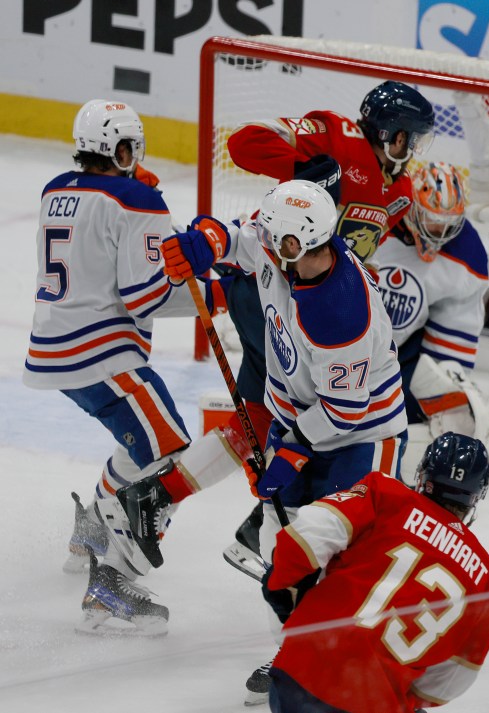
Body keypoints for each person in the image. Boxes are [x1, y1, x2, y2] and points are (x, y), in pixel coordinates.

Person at [119, 178, 409, 697]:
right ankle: (300, 649)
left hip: (362, 434)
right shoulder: (286, 250)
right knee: (290, 550)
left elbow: (345, 408)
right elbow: (241, 239)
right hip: (298, 415)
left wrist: (292, 449)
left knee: (343, 552)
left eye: (290, 244)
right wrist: (204, 242)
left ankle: (343, 660)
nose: (279, 249)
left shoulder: (342, 311)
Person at [23, 99, 239, 636]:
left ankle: (93, 526)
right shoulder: (136, 197)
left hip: (55, 348)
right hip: (103, 353)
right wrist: (219, 288)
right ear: (124, 150)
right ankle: (109, 588)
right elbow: (145, 299)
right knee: (170, 457)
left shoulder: (56, 188)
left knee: (141, 443)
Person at [222, 80, 435, 578]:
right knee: (293, 410)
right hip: (272, 288)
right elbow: (243, 144)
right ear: (392, 135)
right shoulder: (335, 136)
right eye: (412, 138)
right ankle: (272, 528)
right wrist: (308, 177)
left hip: (323, 308)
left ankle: (271, 531)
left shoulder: (400, 192)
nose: (414, 150)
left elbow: (359, 247)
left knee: (320, 407)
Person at [262, 432, 489, 713]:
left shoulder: (385, 493)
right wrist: (403, 695)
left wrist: (282, 584)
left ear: (422, 475)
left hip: (298, 677)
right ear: (477, 496)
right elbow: (451, 681)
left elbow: (306, 537)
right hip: (374, 702)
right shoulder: (487, 578)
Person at [373, 162, 489, 472]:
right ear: (411, 207)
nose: (440, 233)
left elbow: (452, 339)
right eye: (432, 221)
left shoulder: (468, 254)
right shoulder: (376, 220)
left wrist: (443, 393)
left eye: (449, 224)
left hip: (397, 353)